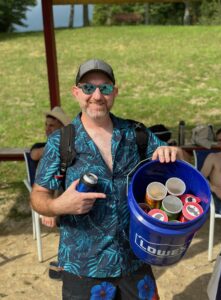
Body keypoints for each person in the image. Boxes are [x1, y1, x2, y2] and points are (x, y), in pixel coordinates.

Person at [31, 59, 184, 299]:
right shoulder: (61, 142)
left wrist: (175, 153)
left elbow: (180, 159)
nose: (97, 95)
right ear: (76, 92)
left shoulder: (136, 134)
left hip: (134, 259)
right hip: (83, 267)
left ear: (115, 92)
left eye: (105, 88)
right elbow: (38, 196)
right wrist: (57, 206)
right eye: (88, 88)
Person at [30, 106, 71, 227]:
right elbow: (34, 155)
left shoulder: (70, 147)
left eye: (51, 126)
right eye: (46, 125)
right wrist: (58, 145)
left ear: (62, 128)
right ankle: (52, 209)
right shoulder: (40, 146)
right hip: (44, 190)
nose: (47, 129)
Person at [201, 126, 221, 215]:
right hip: (219, 194)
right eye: (219, 140)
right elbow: (201, 178)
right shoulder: (213, 157)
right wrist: (215, 189)